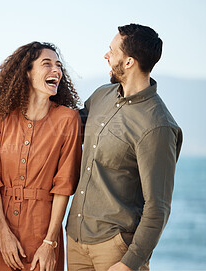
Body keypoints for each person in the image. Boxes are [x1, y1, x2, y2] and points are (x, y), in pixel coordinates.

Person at [66, 24, 183, 271]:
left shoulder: (157, 126)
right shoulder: (102, 96)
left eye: (111, 50)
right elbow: (66, 129)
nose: (106, 55)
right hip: (76, 241)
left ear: (129, 62)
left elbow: (158, 207)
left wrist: (129, 264)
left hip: (116, 250)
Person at [0, 41, 82, 271]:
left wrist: (49, 242)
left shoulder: (68, 120)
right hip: (0, 230)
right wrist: (3, 234)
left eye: (59, 66)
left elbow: (64, 185)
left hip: (42, 232)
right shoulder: (0, 117)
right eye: (47, 64)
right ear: (27, 71)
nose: (56, 71)